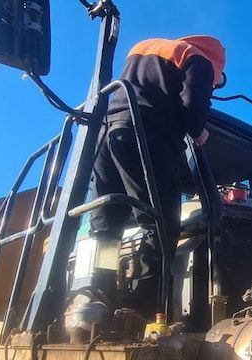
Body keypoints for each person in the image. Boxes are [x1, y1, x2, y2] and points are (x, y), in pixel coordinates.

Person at [90, 35, 226, 316]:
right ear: (216, 62)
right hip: (146, 138)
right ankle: (140, 308)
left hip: (107, 135)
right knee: (160, 225)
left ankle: (97, 295)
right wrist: (199, 131)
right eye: (215, 83)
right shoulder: (197, 59)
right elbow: (193, 111)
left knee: (107, 228)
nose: (212, 86)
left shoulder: (146, 47)